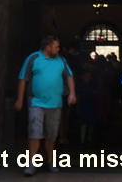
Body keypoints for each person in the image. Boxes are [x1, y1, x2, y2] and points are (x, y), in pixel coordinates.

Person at [15, 36, 76, 176]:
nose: (59, 49)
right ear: (48, 47)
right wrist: (19, 99)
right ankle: (31, 163)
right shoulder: (33, 58)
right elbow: (23, 79)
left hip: (55, 103)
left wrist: (72, 93)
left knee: (51, 135)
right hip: (36, 102)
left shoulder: (61, 60)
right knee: (34, 132)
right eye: (56, 46)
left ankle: (50, 161)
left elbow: (69, 76)